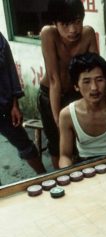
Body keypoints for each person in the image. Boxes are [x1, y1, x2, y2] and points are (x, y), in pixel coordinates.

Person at [38, 0, 98, 169]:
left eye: (77, 22)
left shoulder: (88, 34)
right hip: (50, 94)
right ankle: (60, 180)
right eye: (65, 24)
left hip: (75, 94)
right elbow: (54, 80)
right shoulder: (48, 34)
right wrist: (58, 120)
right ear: (55, 23)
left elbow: (95, 73)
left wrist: (101, 106)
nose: (73, 30)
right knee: (58, 143)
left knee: (81, 140)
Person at [58, 53, 106, 168]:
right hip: (84, 168)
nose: (94, 87)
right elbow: (65, 155)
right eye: (86, 81)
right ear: (76, 86)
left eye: (99, 80)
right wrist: (68, 175)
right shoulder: (67, 115)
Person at [0, 31, 46, 183]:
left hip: (4, 106)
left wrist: (15, 104)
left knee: (25, 146)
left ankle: (45, 177)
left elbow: (11, 71)